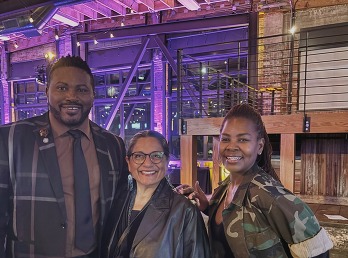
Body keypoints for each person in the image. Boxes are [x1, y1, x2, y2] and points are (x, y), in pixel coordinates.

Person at [0, 55, 128, 258]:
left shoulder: (113, 145)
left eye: (81, 89)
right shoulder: (11, 138)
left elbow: (123, 208)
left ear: (93, 95)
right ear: (47, 92)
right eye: (61, 88)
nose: (72, 96)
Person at [177, 103, 333, 258]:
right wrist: (206, 206)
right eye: (225, 139)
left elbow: (318, 251)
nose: (231, 146)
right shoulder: (224, 189)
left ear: (259, 146)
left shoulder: (269, 195)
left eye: (243, 140)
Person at [101, 130, 211, 258]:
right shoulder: (115, 201)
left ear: (167, 161)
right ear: (128, 162)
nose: (147, 163)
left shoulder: (184, 210)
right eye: (138, 156)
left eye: (156, 156)